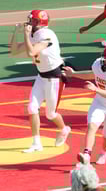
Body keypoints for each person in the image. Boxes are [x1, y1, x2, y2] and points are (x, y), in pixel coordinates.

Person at [9, 10, 71, 152]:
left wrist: (25, 34)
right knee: (32, 107)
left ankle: (64, 129)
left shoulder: (46, 35)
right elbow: (14, 51)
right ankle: (36, 142)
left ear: (40, 22)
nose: (30, 22)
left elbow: (31, 52)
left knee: (50, 114)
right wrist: (16, 32)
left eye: (33, 20)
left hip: (54, 78)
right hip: (41, 76)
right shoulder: (34, 34)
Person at [64, 45, 106, 165]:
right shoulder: (97, 64)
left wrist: (95, 89)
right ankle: (87, 154)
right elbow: (93, 74)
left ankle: (104, 153)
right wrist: (73, 74)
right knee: (92, 126)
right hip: (99, 103)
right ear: (104, 58)